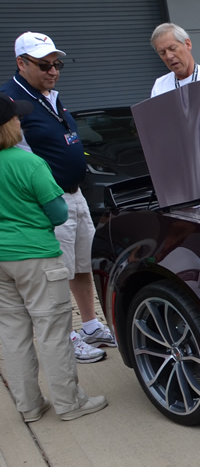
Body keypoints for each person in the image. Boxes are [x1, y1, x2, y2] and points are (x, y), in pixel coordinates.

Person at [3, 32, 110, 363]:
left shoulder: (48, 95)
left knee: (82, 265)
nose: (53, 71)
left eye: (56, 64)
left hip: (75, 193)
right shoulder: (10, 101)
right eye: (44, 65)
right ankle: (67, 337)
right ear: (21, 63)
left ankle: (90, 326)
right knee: (57, 273)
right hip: (48, 199)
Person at [0, 94, 107, 422]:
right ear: (8, 126)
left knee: (13, 334)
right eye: (16, 118)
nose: (21, 122)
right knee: (52, 331)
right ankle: (69, 403)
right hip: (37, 257)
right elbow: (59, 213)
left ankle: (29, 406)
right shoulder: (29, 163)